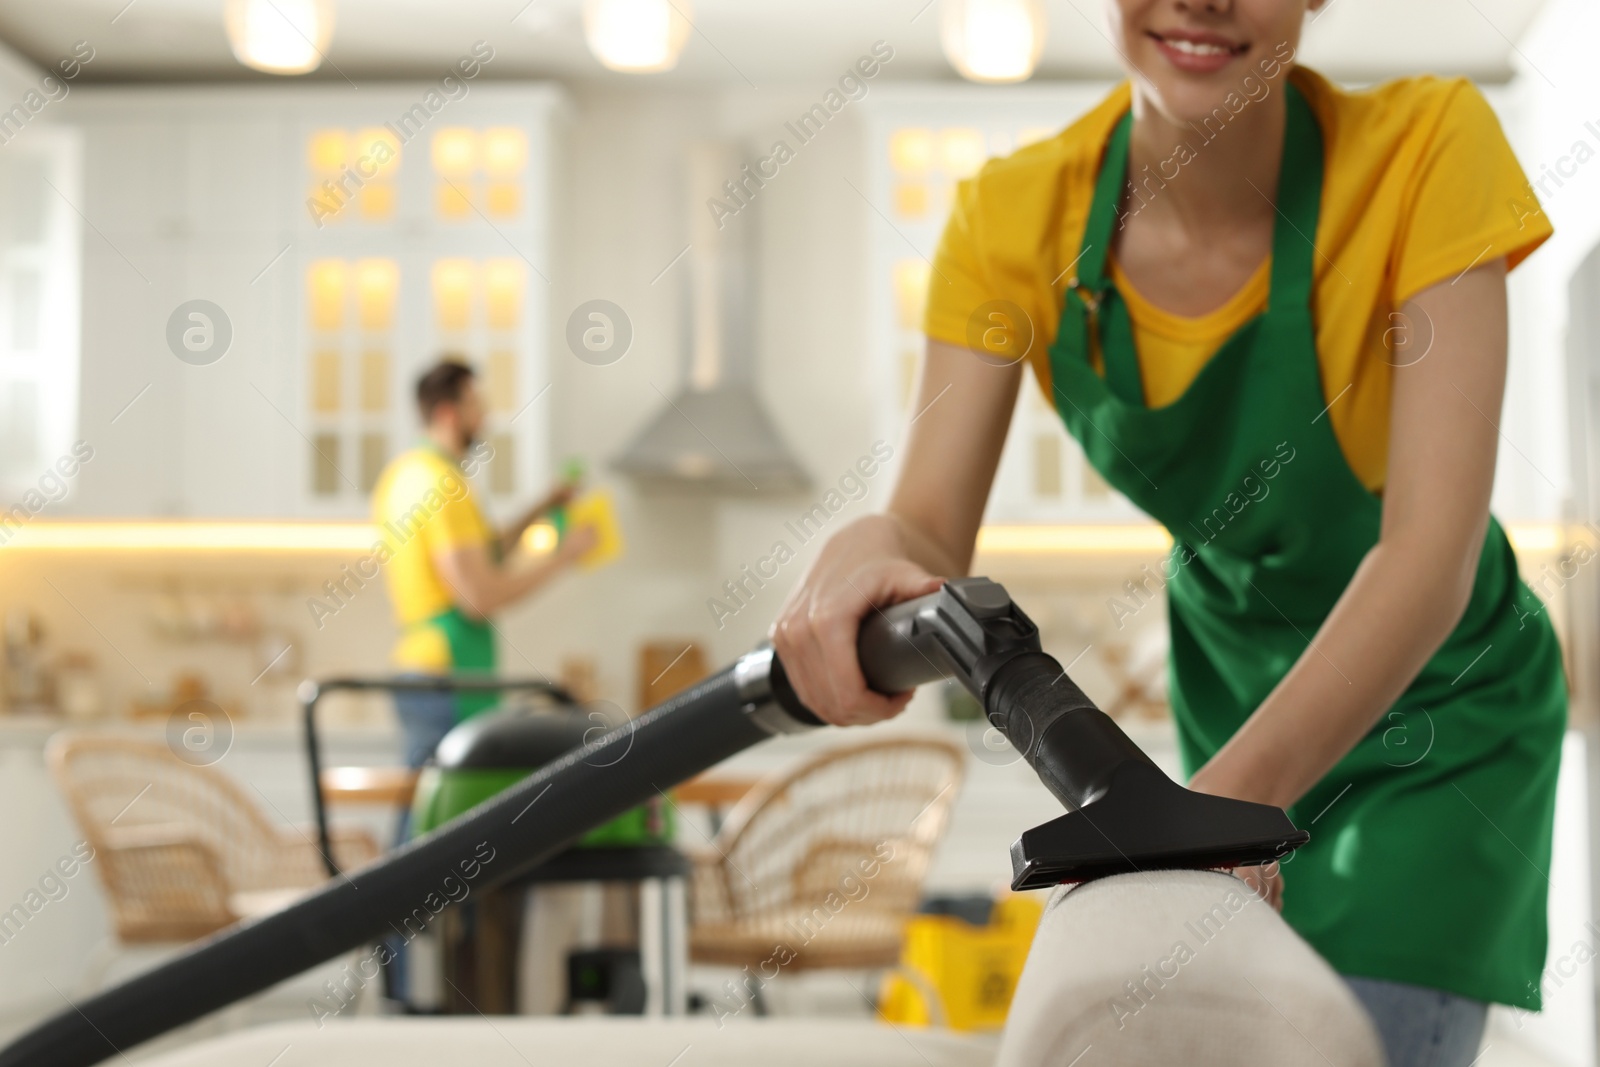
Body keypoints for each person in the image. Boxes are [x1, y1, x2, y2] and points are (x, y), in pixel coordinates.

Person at [772, 4, 1564, 1065]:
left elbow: (1428, 557)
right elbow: (922, 520)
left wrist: (1210, 818)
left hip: (1441, 714)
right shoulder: (1013, 220)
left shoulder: (1428, 150)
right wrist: (861, 556)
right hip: (1232, 690)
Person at [373, 358, 596, 772]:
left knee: (428, 812)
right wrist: (564, 557)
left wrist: (544, 506)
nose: (485, 416)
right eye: (476, 404)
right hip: (446, 675)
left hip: (421, 668)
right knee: (444, 818)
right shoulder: (442, 484)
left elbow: (485, 553)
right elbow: (479, 596)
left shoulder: (405, 475)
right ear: (447, 412)